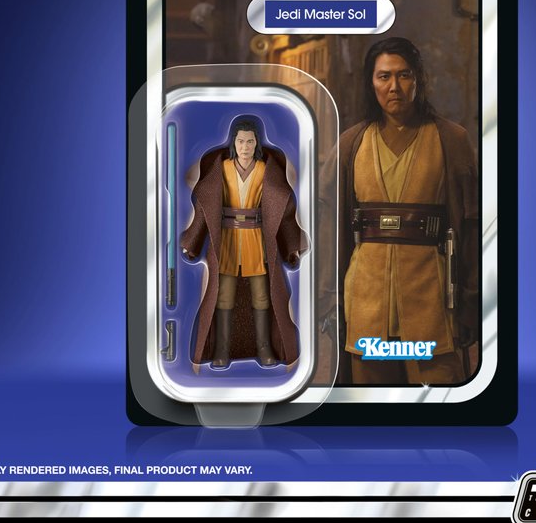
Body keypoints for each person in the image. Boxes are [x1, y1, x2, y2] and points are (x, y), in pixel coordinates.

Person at [336, 37, 479, 385]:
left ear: (418, 79)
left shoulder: (451, 139)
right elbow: (334, 231)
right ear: (371, 82)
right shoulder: (351, 143)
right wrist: (333, 304)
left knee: (437, 400)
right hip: (367, 301)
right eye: (384, 76)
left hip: (432, 300)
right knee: (371, 403)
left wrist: (471, 302)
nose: (394, 87)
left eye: (404, 75)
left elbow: (472, 227)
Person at [180, 117, 306, 369]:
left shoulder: (265, 170)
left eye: (249, 141)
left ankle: (265, 348)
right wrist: (192, 242)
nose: (245, 147)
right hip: (226, 241)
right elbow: (204, 208)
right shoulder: (222, 168)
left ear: (257, 143)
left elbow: (283, 211)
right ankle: (221, 350)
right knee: (223, 296)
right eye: (240, 141)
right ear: (233, 142)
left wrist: (292, 247)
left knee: (262, 296)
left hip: (256, 240)